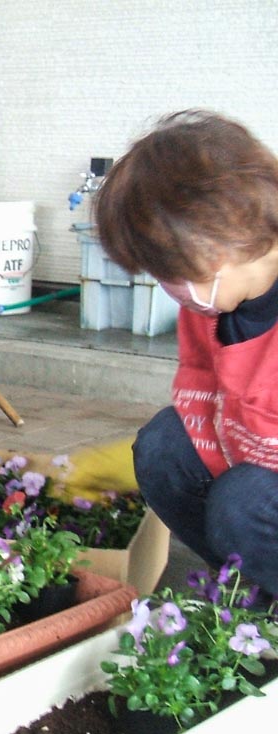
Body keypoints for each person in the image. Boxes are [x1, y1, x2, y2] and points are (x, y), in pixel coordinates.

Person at [96, 110, 278, 592]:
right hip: (261, 459)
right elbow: (206, 400)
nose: (168, 288)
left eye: (170, 272)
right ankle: (253, 589)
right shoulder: (209, 309)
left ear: (220, 243)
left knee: (242, 502)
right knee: (163, 446)